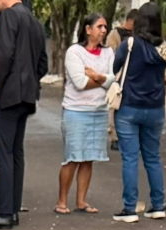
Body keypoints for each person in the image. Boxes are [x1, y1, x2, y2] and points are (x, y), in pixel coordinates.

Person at [0, 0, 48, 230]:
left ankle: (4, 213)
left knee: (3, 154)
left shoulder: (8, 17)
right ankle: (13, 210)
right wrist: (30, 84)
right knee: (16, 154)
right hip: (26, 98)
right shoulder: (34, 22)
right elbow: (43, 64)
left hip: (5, 98)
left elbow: (3, 56)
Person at [111, 2, 166, 222]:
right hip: (156, 108)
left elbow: (115, 68)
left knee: (130, 158)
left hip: (129, 107)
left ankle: (129, 209)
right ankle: (157, 206)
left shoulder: (129, 44)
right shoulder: (165, 48)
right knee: (153, 158)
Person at [55, 12, 114, 215]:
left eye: (105, 27)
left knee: (88, 159)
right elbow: (79, 83)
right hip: (76, 111)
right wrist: (103, 80)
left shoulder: (108, 53)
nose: (103, 31)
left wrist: (96, 75)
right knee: (72, 158)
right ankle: (62, 201)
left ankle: (81, 201)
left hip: (98, 111)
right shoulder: (75, 52)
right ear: (88, 30)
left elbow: (113, 81)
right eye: (99, 26)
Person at [106, 8, 137, 149]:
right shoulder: (115, 34)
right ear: (131, 21)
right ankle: (115, 137)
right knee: (116, 105)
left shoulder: (138, 35)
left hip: (135, 77)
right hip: (120, 75)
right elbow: (110, 54)